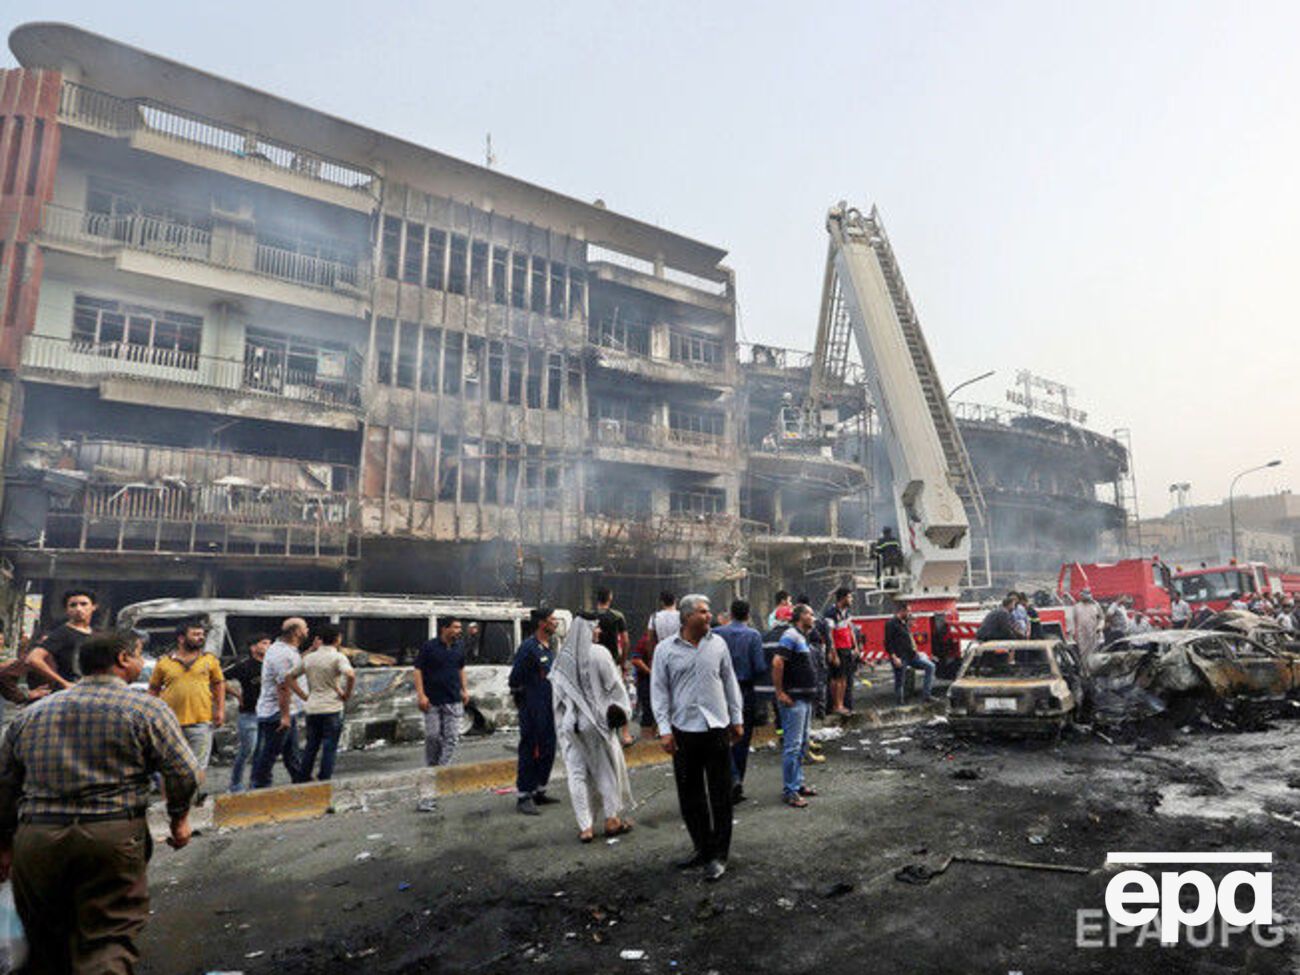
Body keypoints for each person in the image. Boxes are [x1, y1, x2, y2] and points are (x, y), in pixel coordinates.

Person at [0, 630, 200, 974]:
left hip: (37, 839)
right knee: (106, 938)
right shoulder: (146, 708)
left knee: (45, 942)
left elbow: (5, 785)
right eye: (139, 654)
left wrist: (4, 845)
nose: (141, 662)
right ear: (123, 659)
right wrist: (178, 818)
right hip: (111, 836)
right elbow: (184, 772)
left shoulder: (32, 714)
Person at [651, 593, 743, 883]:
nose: (709, 616)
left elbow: (729, 681)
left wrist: (737, 719)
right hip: (683, 731)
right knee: (690, 796)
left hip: (716, 728)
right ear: (687, 616)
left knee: (720, 795)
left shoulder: (718, 644)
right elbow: (659, 691)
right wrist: (664, 729)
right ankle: (702, 848)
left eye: (709, 612)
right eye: (703, 612)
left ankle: (719, 855)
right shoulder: (665, 650)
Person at [551, 617, 634, 842]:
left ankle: (585, 827)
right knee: (605, 769)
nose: (598, 630)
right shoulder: (599, 653)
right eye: (595, 626)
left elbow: (557, 700)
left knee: (576, 774)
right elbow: (615, 688)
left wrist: (561, 729)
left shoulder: (562, 659)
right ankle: (611, 820)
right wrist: (623, 713)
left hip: (571, 723)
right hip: (595, 723)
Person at [148, 619, 225, 794]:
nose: (201, 638)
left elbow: (219, 684)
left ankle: (191, 800)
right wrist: (151, 714)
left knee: (197, 766)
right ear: (181, 638)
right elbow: (153, 689)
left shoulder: (209, 660)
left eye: (202, 634)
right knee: (169, 767)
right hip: (170, 723)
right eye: (196, 634)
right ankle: (170, 802)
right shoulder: (164, 662)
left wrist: (220, 710)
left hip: (201, 721)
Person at [713, 600, 767, 803]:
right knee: (742, 739)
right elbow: (760, 666)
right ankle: (737, 781)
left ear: (731, 614)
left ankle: (730, 779)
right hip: (744, 690)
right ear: (748, 615)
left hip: (720, 691)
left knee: (722, 737)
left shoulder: (717, 633)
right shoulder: (753, 635)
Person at [413, 616, 469, 807]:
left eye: (460, 627)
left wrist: (465, 689)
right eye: (455, 627)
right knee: (433, 737)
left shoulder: (459, 647)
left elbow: (461, 668)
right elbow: (417, 670)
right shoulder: (429, 647)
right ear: (444, 629)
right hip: (433, 702)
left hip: (453, 700)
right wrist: (421, 695)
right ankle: (432, 771)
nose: (459, 630)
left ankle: (438, 775)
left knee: (452, 738)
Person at [289, 623, 355, 783]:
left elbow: (290, 677)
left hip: (313, 706)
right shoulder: (338, 657)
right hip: (332, 706)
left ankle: (303, 777)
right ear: (337, 639)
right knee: (329, 747)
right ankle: (324, 779)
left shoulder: (310, 658)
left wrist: (304, 696)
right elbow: (350, 674)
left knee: (311, 745)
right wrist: (346, 694)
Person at [510, 608, 560, 815]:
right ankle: (524, 795)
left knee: (549, 747)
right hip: (532, 708)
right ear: (541, 623)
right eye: (552, 620)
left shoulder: (549, 648)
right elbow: (514, 680)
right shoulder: (528, 648)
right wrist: (526, 702)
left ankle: (540, 789)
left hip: (549, 707)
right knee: (530, 748)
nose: (555, 623)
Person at [250, 617, 310, 789]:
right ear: (296, 632)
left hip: (285, 711)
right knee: (268, 755)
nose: (307, 631)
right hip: (277, 713)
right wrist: (284, 716)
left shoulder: (286, 650)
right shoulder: (282, 654)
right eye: (305, 628)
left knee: (292, 754)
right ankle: (258, 790)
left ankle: (303, 784)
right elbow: (283, 686)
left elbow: (294, 668)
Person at [772, 604, 820, 808]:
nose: (813, 617)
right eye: (810, 613)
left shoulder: (802, 637)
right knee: (792, 746)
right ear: (800, 617)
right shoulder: (790, 635)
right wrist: (780, 692)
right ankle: (790, 791)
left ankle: (798, 784)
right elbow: (777, 662)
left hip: (805, 700)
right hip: (794, 701)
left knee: (801, 745)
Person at [26, 589, 98, 691]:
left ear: (94, 607)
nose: (79, 609)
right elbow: (33, 658)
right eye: (73, 605)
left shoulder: (96, 634)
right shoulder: (63, 633)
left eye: (84, 604)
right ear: (67, 610)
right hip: (70, 691)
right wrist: (63, 683)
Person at [224, 634, 270, 794]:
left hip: (267, 714)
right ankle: (235, 784)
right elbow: (218, 678)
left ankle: (255, 783)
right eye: (264, 643)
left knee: (261, 751)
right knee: (246, 750)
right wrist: (236, 694)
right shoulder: (244, 666)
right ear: (253, 647)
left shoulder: (270, 665)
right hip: (249, 714)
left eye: (269, 643)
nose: (268, 646)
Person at [885, 603, 935, 704]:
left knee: (930, 666)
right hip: (900, 657)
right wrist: (894, 657)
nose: (909, 613)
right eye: (908, 611)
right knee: (900, 680)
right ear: (901, 611)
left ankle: (926, 696)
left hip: (912, 656)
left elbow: (909, 638)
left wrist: (916, 652)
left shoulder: (904, 623)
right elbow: (888, 642)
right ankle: (900, 703)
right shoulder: (891, 624)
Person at [824, 587, 857, 716]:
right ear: (843, 598)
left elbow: (850, 629)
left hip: (847, 648)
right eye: (849, 597)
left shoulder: (847, 612)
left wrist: (855, 646)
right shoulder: (831, 612)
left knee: (844, 678)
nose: (851, 599)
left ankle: (841, 704)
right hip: (838, 649)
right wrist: (833, 653)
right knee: (836, 678)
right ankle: (836, 705)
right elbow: (829, 634)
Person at [593, 587, 629, 667]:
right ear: (610, 598)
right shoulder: (617, 616)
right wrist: (623, 663)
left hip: (594, 661)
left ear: (597, 599)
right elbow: (625, 641)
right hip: (612, 661)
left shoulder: (590, 616)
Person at [1069, 590, 1105, 657]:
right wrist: (1073, 632)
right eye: (1083, 596)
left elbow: (1102, 618)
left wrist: (1099, 627)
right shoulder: (1077, 607)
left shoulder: (1095, 605)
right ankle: (1084, 666)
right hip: (1082, 634)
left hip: (1094, 633)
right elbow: (1073, 621)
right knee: (1083, 653)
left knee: (1094, 652)